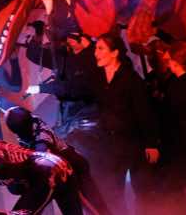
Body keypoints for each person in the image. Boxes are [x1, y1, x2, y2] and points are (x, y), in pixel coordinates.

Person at [68, 31, 160, 215]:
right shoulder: (99, 77)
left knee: (143, 192)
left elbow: (144, 112)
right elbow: (76, 86)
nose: (96, 53)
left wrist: (151, 143)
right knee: (112, 193)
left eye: (101, 49)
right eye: (96, 49)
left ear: (115, 53)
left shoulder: (131, 79)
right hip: (110, 145)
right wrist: (41, 88)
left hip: (133, 144)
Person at [5, 106, 111, 215]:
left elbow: (42, 161)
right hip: (61, 170)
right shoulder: (32, 121)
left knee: (95, 207)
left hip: (73, 167)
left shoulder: (42, 141)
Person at [144, 41, 186, 215]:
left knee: (170, 189)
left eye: (168, 56)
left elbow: (173, 115)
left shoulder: (183, 85)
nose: (164, 57)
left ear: (174, 61)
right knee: (172, 189)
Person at [24, 21, 100, 137]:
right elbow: (34, 54)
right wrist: (38, 33)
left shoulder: (90, 60)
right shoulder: (63, 56)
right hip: (68, 105)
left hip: (81, 108)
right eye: (69, 36)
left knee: (66, 134)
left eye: (74, 36)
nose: (70, 39)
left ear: (84, 39)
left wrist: (39, 88)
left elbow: (67, 87)